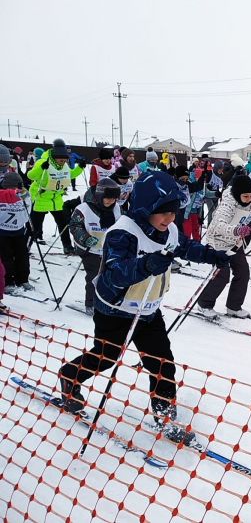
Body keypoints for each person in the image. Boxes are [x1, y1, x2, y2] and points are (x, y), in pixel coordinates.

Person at [57, 172, 230, 444]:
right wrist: (146, 265)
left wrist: (212, 255)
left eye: (173, 213)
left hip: (148, 310)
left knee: (162, 362)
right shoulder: (123, 232)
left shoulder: (170, 230)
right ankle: (70, 376)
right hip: (115, 308)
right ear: (145, 208)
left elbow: (186, 247)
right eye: (162, 213)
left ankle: (164, 414)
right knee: (106, 356)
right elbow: (115, 273)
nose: (169, 219)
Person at [197, 172, 251, 319]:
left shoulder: (248, 202)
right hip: (218, 243)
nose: (249, 200)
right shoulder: (227, 205)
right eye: (246, 196)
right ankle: (204, 304)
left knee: (243, 272)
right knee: (222, 276)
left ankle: (234, 307)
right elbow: (218, 226)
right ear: (237, 194)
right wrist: (237, 230)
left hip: (234, 242)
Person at [69, 178, 122, 314]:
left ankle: (109, 300)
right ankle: (91, 303)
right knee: (94, 276)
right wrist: (85, 239)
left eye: (114, 198)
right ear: (99, 196)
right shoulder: (84, 209)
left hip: (108, 250)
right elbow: (75, 226)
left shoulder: (116, 209)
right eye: (107, 198)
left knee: (111, 276)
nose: (110, 201)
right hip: (89, 250)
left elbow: (123, 224)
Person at [27, 139, 86, 252]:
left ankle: (67, 246)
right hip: (41, 198)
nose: (62, 162)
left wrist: (80, 167)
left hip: (56, 199)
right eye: (60, 160)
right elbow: (30, 176)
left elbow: (71, 174)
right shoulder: (43, 162)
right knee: (34, 226)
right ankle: (25, 248)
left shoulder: (64, 165)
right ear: (54, 156)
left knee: (63, 223)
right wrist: (41, 168)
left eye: (64, 160)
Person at [0, 173, 32, 294]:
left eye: (16, 188)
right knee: (5, 257)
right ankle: (8, 281)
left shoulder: (25, 194)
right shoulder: (3, 195)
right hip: (3, 231)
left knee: (22, 256)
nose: (14, 191)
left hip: (18, 230)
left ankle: (22, 279)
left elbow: (27, 211)